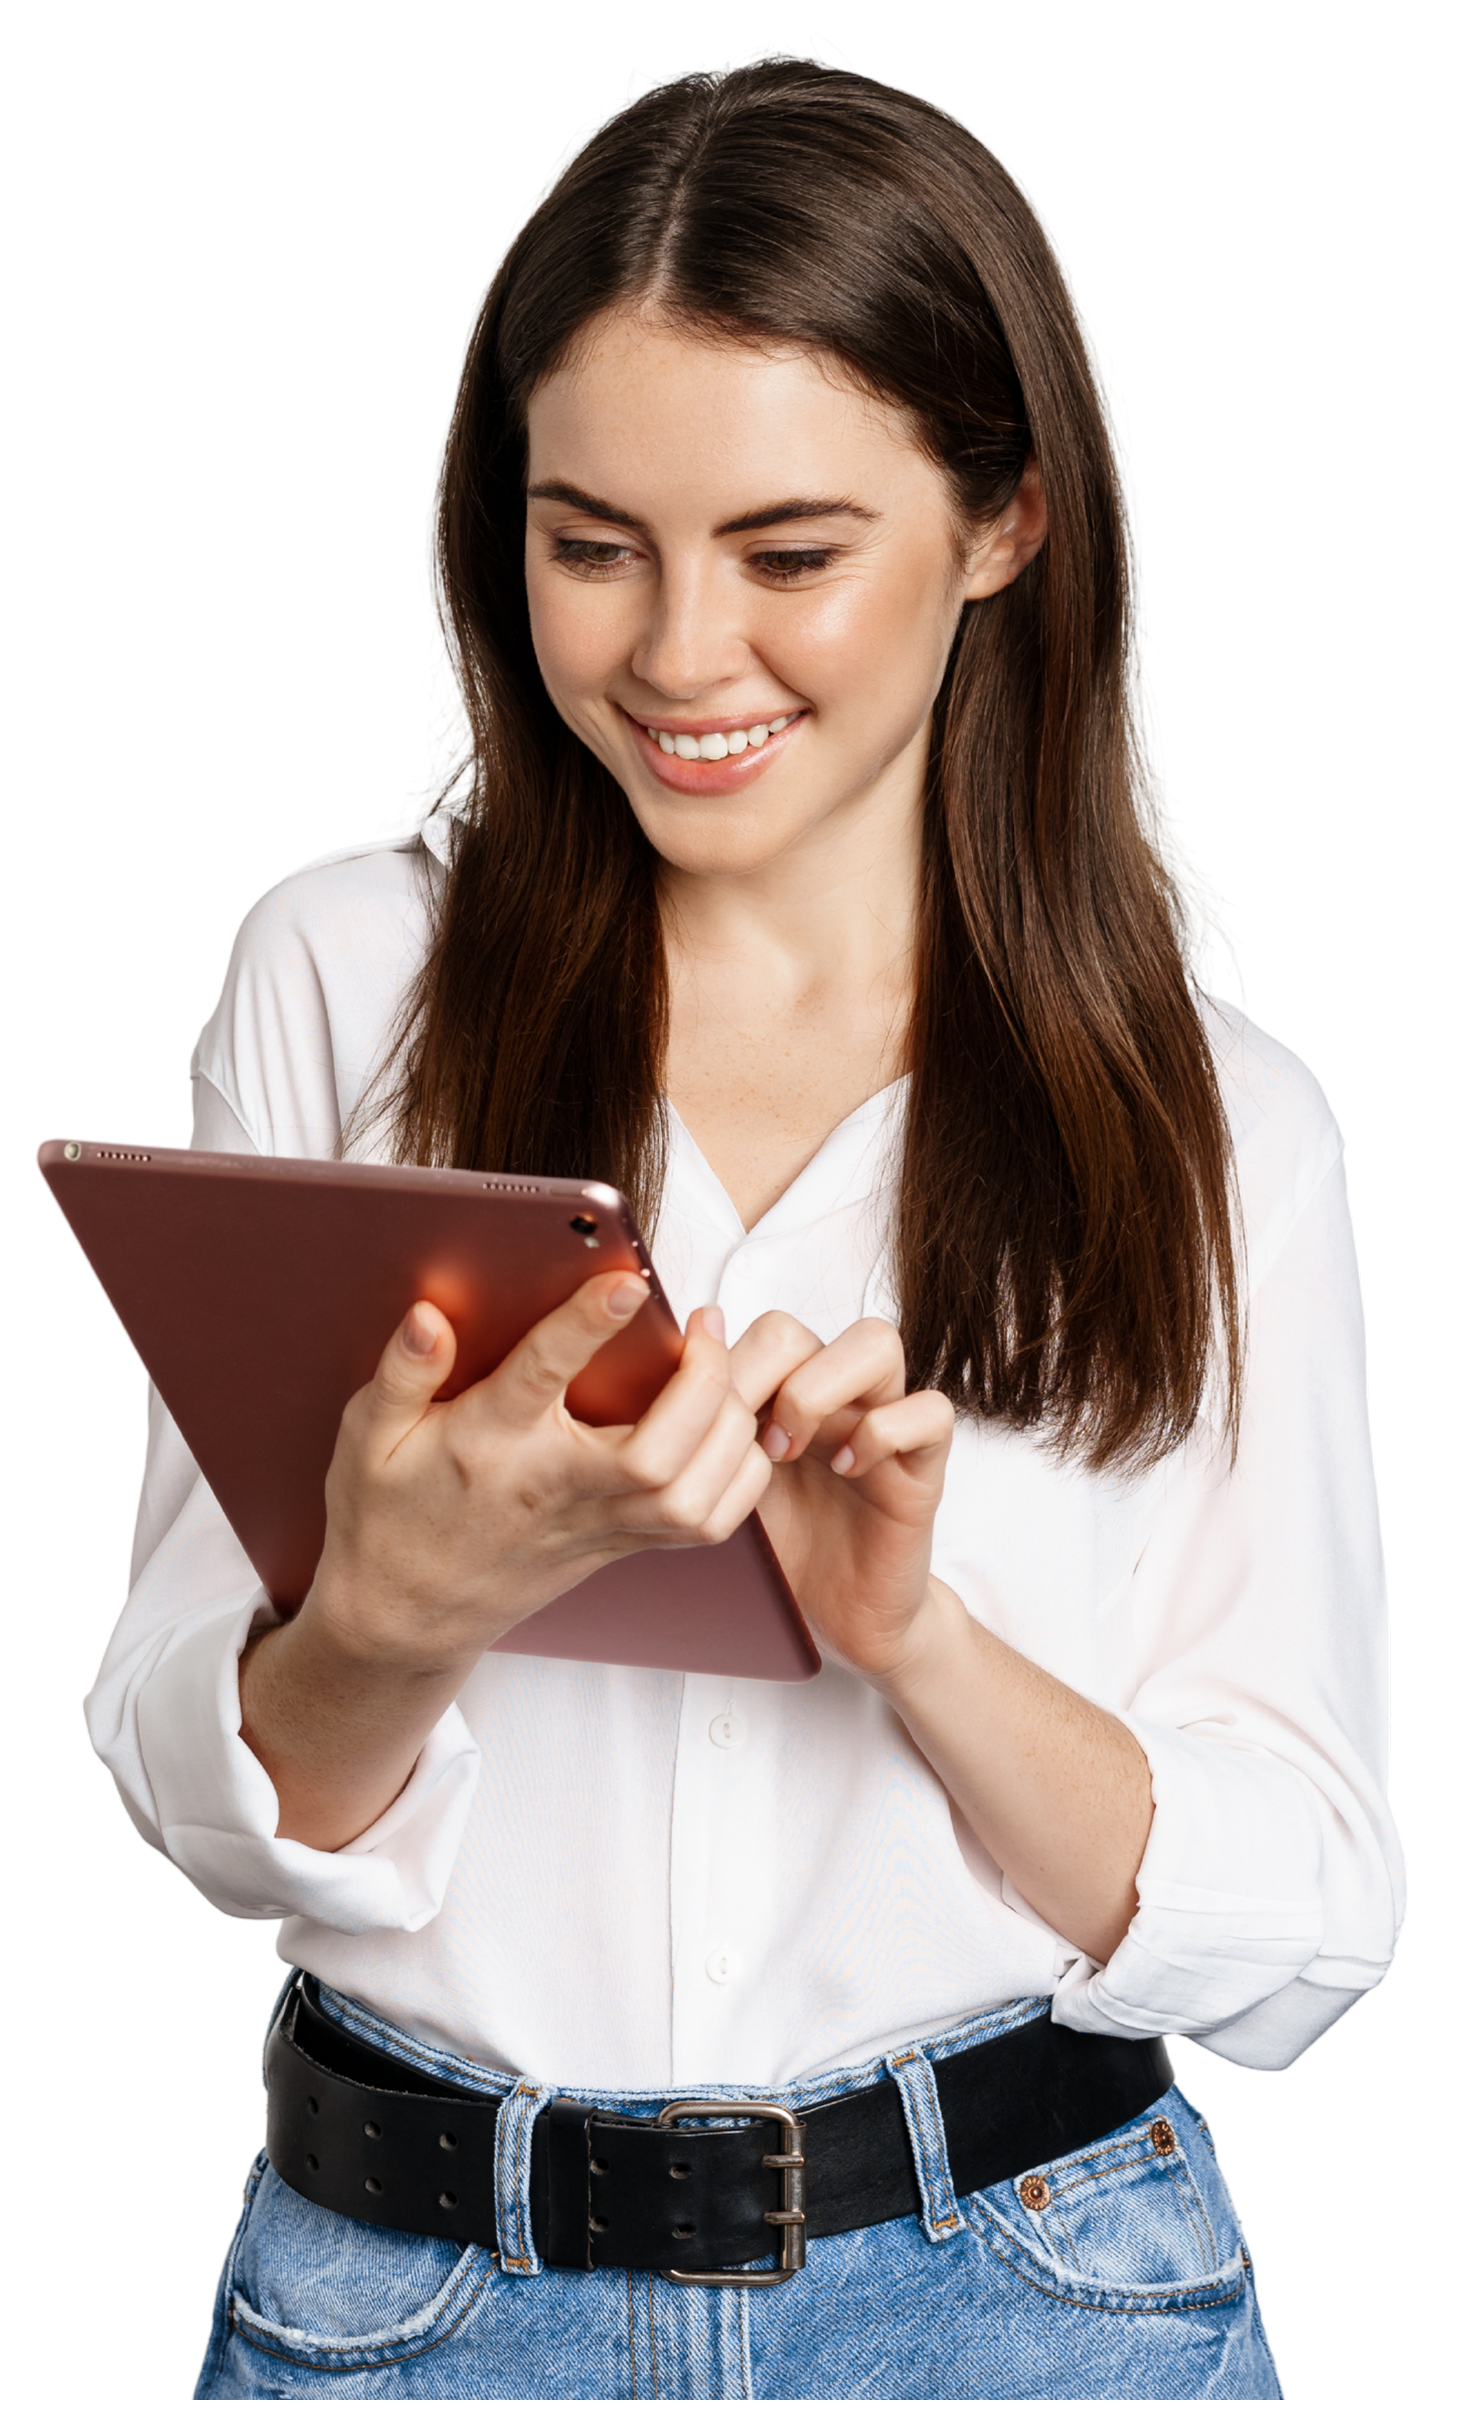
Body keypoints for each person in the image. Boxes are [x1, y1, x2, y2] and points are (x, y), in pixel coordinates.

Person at [86, 50, 1402, 2402]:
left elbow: (1306, 1909)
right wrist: (397, 1610)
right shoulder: (340, 976)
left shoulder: (1224, 1124)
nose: (681, 657)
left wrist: (915, 1635)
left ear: (1003, 522)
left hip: (1034, 2303)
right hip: (407, 2305)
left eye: (791, 553)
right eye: (591, 544)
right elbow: (209, 1803)